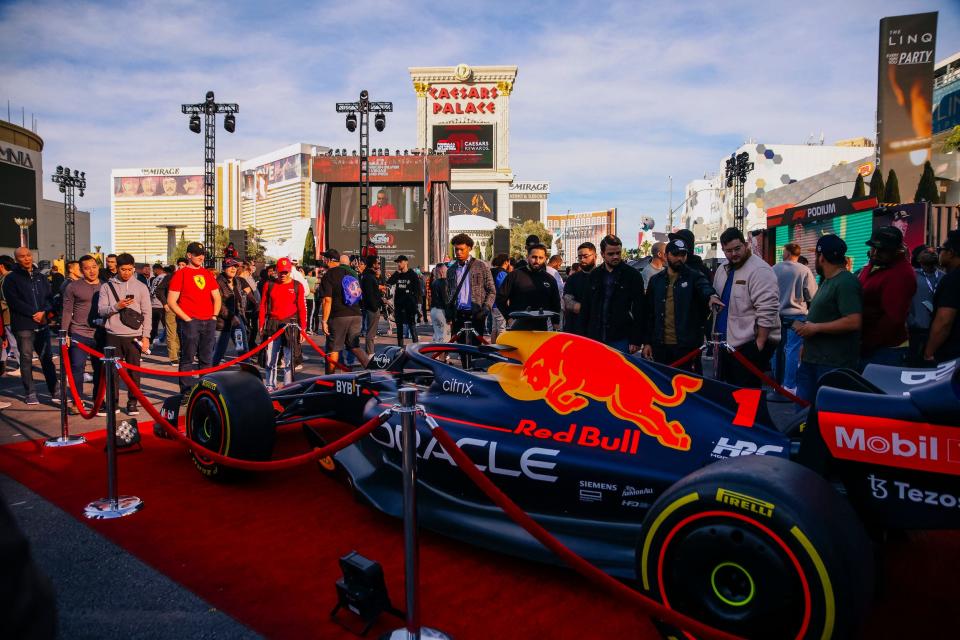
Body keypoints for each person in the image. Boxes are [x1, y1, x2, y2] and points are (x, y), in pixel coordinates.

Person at [793, 236, 862, 403]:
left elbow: (854, 320)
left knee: (824, 412)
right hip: (814, 359)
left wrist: (815, 328)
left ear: (821, 257)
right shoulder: (827, 281)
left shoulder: (846, 282)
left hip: (831, 364)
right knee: (804, 415)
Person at [713, 227, 781, 388]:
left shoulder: (759, 269)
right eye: (729, 251)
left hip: (749, 345)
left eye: (737, 248)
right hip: (726, 344)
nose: (734, 254)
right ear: (723, 250)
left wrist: (760, 343)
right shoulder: (723, 269)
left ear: (745, 245)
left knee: (748, 395)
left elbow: (768, 308)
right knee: (732, 392)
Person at [642, 238, 721, 372]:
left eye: (683, 255)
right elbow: (649, 313)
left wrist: (711, 296)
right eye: (676, 254)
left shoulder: (694, 276)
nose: (680, 258)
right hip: (660, 346)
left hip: (687, 347)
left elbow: (704, 286)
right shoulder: (656, 281)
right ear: (666, 256)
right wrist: (647, 342)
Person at [2, 247, 58, 404]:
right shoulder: (11, 279)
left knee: (46, 358)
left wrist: (44, 312)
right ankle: (30, 393)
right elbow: (13, 301)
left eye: (28, 255)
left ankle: (55, 390)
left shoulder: (41, 277)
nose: (26, 258)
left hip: (42, 323)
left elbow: (50, 298)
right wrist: (34, 313)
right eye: (22, 256)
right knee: (26, 359)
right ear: (16, 259)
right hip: (24, 324)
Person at [98, 253, 151, 415]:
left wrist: (146, 336)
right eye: (123, 269)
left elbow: (147, 313)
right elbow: (101, 311)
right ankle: (112, 403)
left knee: (134, 372)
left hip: (134, 336)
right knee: (112, 372)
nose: (126, 273)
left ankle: (132, 402)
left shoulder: (141, 287)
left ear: (134, 268)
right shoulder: (107, 287)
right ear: (116, 269)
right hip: (112, 335)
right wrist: (117, 306)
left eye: (130, 269)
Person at [166, 242, 221, 395]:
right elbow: (171, 301)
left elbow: (217, 297)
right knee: (187, 359)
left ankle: (206, 390)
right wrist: (187, 319)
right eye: (197, 254)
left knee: (206, 359)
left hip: (208, 321)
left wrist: (214, 316)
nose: (201, 257)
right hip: (190, 322)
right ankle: (186, 392)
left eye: (202, 254)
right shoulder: (180, 274)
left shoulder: (207, 274)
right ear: (189, 255)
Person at [858, 226, 916, 367]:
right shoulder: (873, 264)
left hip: (886, 351)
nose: (876, 253)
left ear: (896, 250)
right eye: (873, 248)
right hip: (869, 347)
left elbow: (893, 318)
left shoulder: (902, 274)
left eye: (882, 250)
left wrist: (866, 342)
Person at [582, 234, 645, 353]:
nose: (615, 256)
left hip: (621, 337)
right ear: (602, 254)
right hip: (595, 336)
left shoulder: (632, 275)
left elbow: (639, 308)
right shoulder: (594, 276)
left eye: (618, 253)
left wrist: (636, 340)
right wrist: (582, 335)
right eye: (611, 254)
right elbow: (586, 307)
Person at [772, 243, 818, 393]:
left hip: (776, 314)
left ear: (787, 253)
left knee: (776, 349)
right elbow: (811, 294)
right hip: (797, 315)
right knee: (792, 350)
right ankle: (789, 386)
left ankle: (775, 382)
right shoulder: (804, 270)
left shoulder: (774, 269)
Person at [62, 254, 104, 413]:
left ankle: (98, 399)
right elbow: (67, 311)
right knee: (77, 367)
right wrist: (64, 333)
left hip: (100, 334)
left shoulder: (106, 286)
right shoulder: (72, 287)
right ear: (81, 270)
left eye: (94, 267)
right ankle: (76, 400)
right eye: (87, 268)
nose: (91, 271)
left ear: (98, 267)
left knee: (100, 369)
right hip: (78, 333)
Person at [258, 257, 306, 391]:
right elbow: (263, 306)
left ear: (290, 271)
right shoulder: (269, 284)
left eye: (286, 272)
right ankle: (270, 386)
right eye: (281, 272)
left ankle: (287, 387)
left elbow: (302, 308)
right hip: (272, 324)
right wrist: (261, 324)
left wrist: (303, 329)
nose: (283, 275)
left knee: (289, 361)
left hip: (291, 325)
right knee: (270, 359)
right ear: (276, 271)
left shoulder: (297, 286)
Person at [319, 249, 368, 373]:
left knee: (333, 349)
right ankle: (374, 371)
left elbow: (327, 300)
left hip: (338, 316)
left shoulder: (328, 275)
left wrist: (324, 321)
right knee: (354, 347)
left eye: (325, 258)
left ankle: (330, 380)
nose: (323, 260)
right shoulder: (350, 273)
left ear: (329, 260)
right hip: (356, 314)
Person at [445, 233, 496, 345]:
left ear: (469, 248)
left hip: (476, 315)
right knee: (462, 351)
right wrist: (448, 311)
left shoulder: (481, 266)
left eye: (461, 249)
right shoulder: (451, 270)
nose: (458, 252)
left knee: (475, 351)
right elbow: (449, 293)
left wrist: (485, 309)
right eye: (456, 249)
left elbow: (491, 290)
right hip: (458, 316)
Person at [496, 243, 561, 330]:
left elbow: (555, 303)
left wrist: (555, 323)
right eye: (534, 257)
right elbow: (500, 298)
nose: (537, 260)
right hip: (518, 325)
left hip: (541, 327)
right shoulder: (515, 275)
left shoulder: (550, 279)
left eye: (541, 258)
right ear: (527, 257)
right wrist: (509, 318)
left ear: (545, 259)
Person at [924, 230, 960, 363]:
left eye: (941, 249)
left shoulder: (952, 279)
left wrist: (929, 352)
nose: (939, 252)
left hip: (951, 356)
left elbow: (944, 322)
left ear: (951, 253)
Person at [906, 246, 942, 365]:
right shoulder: (912, 275)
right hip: (916, 331)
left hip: (939, 331)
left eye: (933, 252)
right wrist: (911, 321)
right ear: (918, 258)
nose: (931, 253)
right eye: (926, 252)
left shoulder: (944, 277)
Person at [213, 258, 251, 365]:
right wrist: (231, 317)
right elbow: (219, 304)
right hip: (222, 323)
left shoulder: (238, 281)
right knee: (219, 351)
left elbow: (242, 300)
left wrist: (242, 317)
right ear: (224, 268)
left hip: (237, 321)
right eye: (230, 266)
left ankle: (247, 372)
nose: (233, 268)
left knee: (242, 348)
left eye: (235, 266)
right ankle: (208, 374)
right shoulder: (218, 282)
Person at [563, 242, 596, 336]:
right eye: (579, 257)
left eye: (585, 256)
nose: (582, 259)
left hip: (596, 333)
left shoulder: (603, 277)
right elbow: (568, 303)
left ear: (595, 256)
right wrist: (595, 310)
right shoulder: (572, 279)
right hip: (574, 331)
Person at [387, 255, 421, 346]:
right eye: (397, 262)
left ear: (406, 262)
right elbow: (389, 283)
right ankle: (400, 347)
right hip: (399, 306)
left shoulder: (412, 274)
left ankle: (416, 347)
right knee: (399, 329)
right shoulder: (398, 274)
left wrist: (416, 304)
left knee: (412, 327)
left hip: (409, 305)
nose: (398, 264)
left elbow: (418, 290)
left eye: (400, 262)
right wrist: (396, 274)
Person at [153, 265, 179, 366]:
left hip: (185, 309)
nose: (181, 267)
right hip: (171, 308)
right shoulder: (170, 277)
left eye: (184, 265)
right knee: (171, 332)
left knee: (183, 332)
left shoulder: (190, 276)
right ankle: (174, 357)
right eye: (180, 265)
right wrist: (165, 303)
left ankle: (179, 352)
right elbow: (159, 290)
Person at [0, 255, 20, 376]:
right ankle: (2, 363)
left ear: (1, 266)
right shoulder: (9, 277)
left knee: (13, 341)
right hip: (7, 315)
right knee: (6, 341)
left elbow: (8, 299)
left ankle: (21, 366)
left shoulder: (7, 279)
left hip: (9, 315)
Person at [360, 257, 385, 355]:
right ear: (373, 264)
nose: (378, 265)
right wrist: (375, 307)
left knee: (371, 332)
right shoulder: (369, 277)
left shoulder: (368, 276)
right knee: (371, 333)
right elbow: (370, 294)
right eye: (377, 263)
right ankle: (370, 353)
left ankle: (370, 352)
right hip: (372, 308)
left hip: (371, 307)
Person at [489, 254, 512, 341]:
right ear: (506, 262)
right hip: (500, 304)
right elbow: (505, 289)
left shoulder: (491, 271)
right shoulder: (502, 273)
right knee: (502, 328)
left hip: (491, 303)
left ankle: (492, 348)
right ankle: (499, 350)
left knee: (494, 327)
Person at [429, 264, 449, 344]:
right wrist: (449, 316)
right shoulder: (444, 282)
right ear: (442, 271)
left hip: (434, 310)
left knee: (437, 334)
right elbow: (446, 299)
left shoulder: (434, 282)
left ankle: (436, 355)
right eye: (446, 270)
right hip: (441, 311)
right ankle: (442, 355)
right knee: (444, 336)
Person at [147, 263, 165, 345]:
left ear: (157, 269)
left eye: (153, 270)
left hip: (155, 304)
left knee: (154, 326)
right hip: (162, 305)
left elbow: (152, 292)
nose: (153, 272)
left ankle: (150, 342)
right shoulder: (164, 277)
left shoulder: (156, 279)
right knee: (166, 325)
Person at [305, 266, 318, 334]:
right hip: (311, 298)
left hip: (305, 298)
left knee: (305, 314)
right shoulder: (313, 279)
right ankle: (309, 329)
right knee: (310, 314)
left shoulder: (304, 278)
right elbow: (319, 281)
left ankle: (304, 328)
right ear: (310, 272)